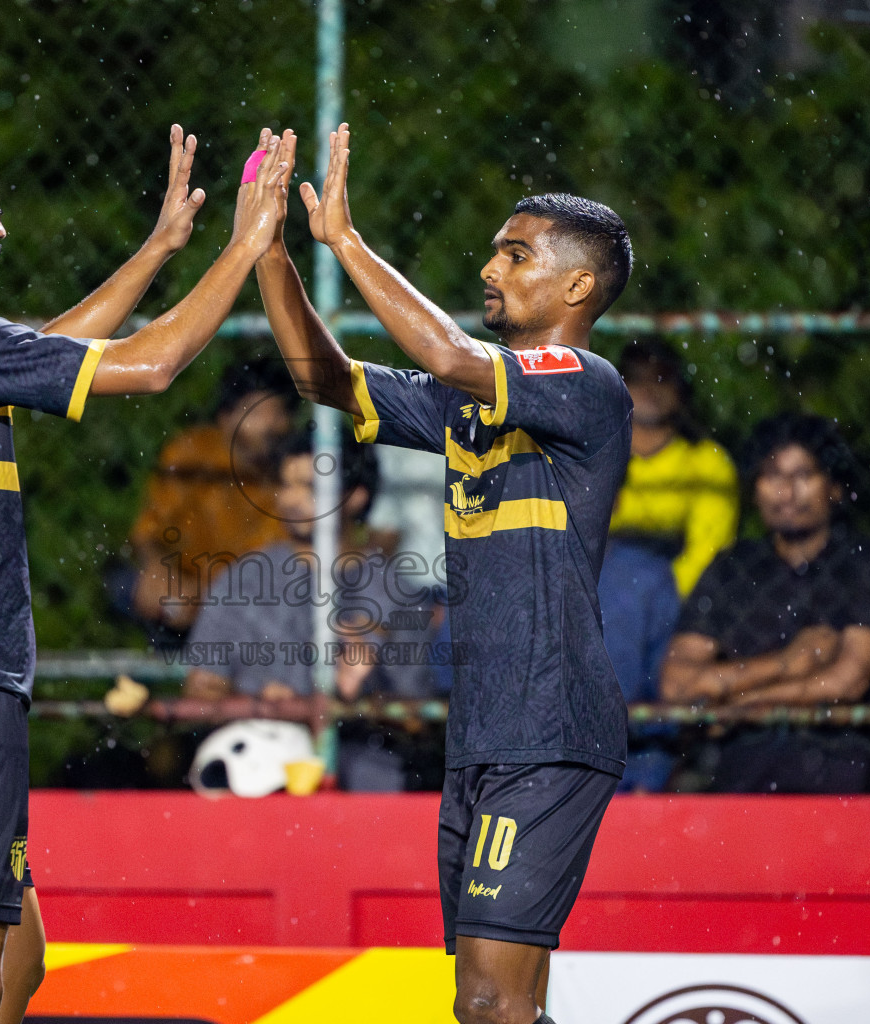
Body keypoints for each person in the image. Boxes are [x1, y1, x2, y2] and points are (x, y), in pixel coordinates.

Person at [0, 114, 290, 1024]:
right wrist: (245, 247)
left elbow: (42, 356)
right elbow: (150, 368)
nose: (0, 232)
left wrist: (160, 248)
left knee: (19, 959)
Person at [254, 125, 633, 1024]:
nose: (490, 269)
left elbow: (451, 355)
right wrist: (269, 250)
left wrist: (344, 242)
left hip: (550, 732)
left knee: (493, 1003)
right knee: (489, 1006)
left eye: (516, 254)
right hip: (483, 733)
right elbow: (324, 377)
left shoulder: (588, 383)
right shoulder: (472, 400)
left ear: (578, 285)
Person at [660, 413, 870, 793]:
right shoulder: (733, 567)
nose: (786, 491)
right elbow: (676, 684)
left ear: (835, 487)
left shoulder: (869, 563)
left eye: (803, 475)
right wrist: (785, 664)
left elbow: (848, 680)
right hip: (743, 777)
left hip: (846, 772)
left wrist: (738, 704)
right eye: (772, 475)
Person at [182, 428, 437, 790]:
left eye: (310, 488)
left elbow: (418, 721)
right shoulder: (243, 580)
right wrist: (265, 707)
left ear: (355, 497)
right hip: (257, 773)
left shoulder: (396, 593)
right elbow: (199, 694)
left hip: (362, 778)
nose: (291, 499)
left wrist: (358, 701)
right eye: (287, 485)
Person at [122, 357, 296, 646]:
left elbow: (269, 570)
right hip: (181, 587)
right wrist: (159, 571)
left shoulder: (289, 477)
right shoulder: (191, 455)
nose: (272, 425)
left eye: (279, 413)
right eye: (258, 412)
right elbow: (148, 533)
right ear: (225, 418)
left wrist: (206, 597)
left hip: (244, 601)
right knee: (130, 586)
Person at [608, 339, 738, 596]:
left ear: (680, 390)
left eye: (661, 377)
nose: (648, 388)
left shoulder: (707, 462)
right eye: (635, 377)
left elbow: (707, 550)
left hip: (675, 600)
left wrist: (656, 597)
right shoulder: (589, 455)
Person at [597, 539, 681, 792]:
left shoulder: (647, 578)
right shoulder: (515, 571)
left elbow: (666, 695)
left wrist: (648, 780)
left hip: (624, 781)